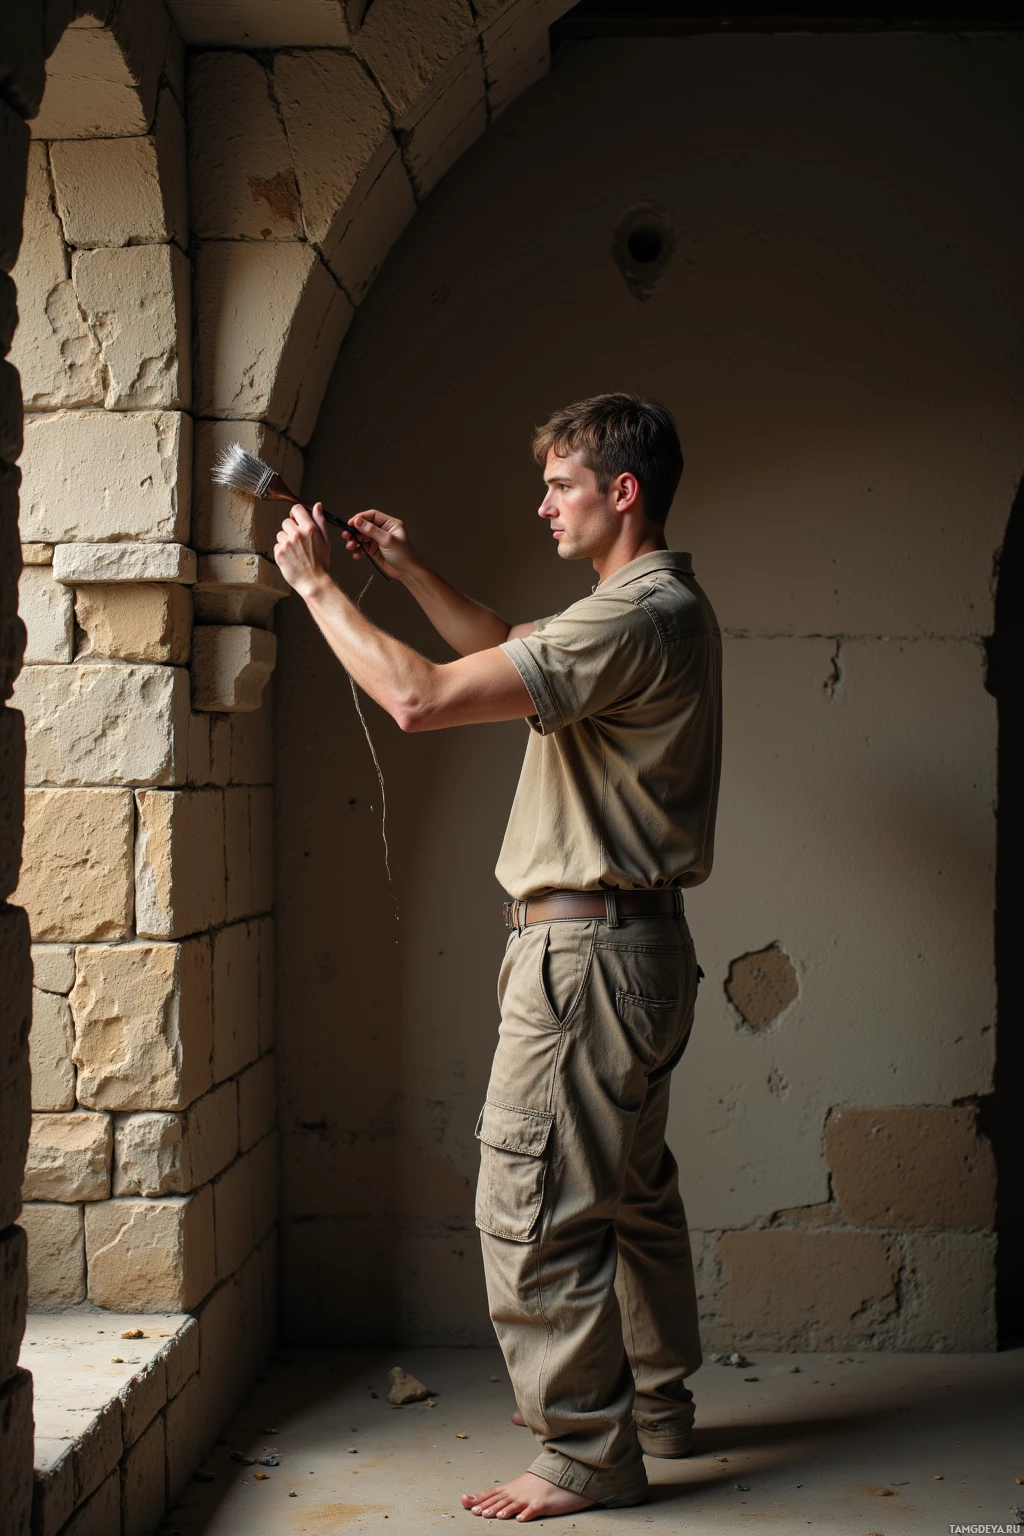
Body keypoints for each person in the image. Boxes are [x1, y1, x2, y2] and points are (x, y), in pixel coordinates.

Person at [273, 393, 723, 1522]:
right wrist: (409, 570)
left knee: (529, 1202)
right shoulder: (646, 608)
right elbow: (511, 650)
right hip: (636, 951)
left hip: (584, 959)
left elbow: (419, 699)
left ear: (622, 491)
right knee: (627, 1196)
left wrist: (318, 586)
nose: (542, 506)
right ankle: (654, 1409)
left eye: (561, 485)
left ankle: (583, 1451)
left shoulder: (630, 617)